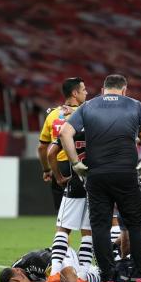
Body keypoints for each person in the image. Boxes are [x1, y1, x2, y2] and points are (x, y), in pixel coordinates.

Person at [60, 74, 141, 282]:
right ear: (124, 89)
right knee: (136, 224)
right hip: (126, 174)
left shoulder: (89, 106)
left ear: (103, 89)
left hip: (96, 175)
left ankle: (107, 279)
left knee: (100, 226)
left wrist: (76, 162)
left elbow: (64, 133)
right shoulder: (134, 105)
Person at [41, 131, 93, 282]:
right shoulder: (101, 127)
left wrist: (58, 178)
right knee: (88, 233)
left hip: (76, 183)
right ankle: (83, 278)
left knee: (63, 229)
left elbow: (51, 153)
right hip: (96, 185)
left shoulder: (72, 128)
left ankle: (54, 274)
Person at [37, 77, 87, 211]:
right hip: (81, 166)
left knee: (62, 216)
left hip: (59, 167)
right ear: (75, 94)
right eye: (84, 90)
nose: (86, 93)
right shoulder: (87, 114)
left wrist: (47, 170)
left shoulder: (52, 114)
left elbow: (42, 147)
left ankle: (62, 232)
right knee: (88, 217)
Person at [0, 247, 100, 282]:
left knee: (72, 281)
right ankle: (79, 264)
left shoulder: (36, 261)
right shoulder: (14, 268)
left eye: (17, 280)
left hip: (61, 255)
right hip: (50, 264)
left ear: (17, 271)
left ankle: (98, 272)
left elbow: (61, 280)